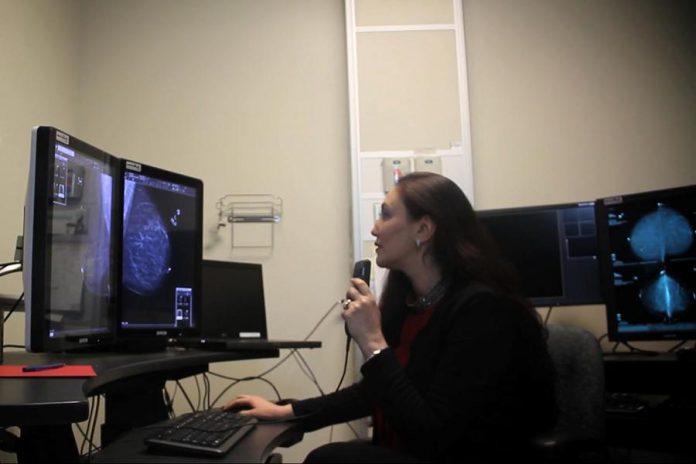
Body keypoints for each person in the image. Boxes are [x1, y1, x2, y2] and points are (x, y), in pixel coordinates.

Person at [224, 172, 557, 462]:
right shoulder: (410, 303)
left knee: (330, 459)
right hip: (419, 449)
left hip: (464, 455)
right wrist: (288, 412)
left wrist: (372, 342)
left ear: (423, 228)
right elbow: (374, 393)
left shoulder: (483, 311)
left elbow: (434, 436)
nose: (374, 228)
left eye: (385, 215)